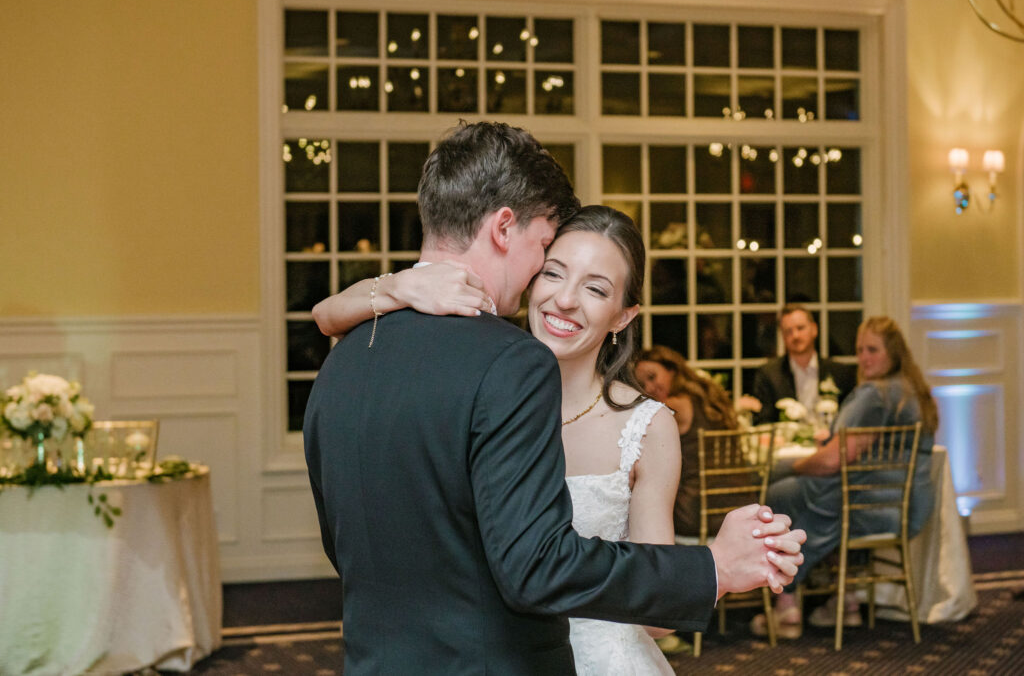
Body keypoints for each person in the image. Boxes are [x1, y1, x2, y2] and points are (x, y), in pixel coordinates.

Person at [304, 120, 805, 674]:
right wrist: (711, 567)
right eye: (545, 253)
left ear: (623, 314)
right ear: (503, 228)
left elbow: (346, 548)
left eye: (594, 287)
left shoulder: (343, 359)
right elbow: (534, 566)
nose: (549, 291)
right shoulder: (512, 364)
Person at [752, 315, 938, 638]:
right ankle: (845, 599)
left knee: (780, 490)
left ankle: (786, 601)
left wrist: (790, 467)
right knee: (809, 494)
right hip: (908, 504)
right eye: (860, 350)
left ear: (893, 353)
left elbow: (833, 460)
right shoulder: (912, 391)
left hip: (873, 505)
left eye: (873, 350)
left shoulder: (875, 395)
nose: (864, 358)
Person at [635, 345, 748, 538]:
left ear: (672, 370)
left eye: (652, 377)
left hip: (695, 513)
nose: (649, 388)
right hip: (738, 506)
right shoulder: (707, 398)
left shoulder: (672, 407)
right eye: (642, 385)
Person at [748, 305, 857, 425]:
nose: (795, 336)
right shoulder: (769, 374)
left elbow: (851, 418)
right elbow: (763, 422)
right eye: (788, 331)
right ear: (782, 336)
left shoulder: (839, 372)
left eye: (800, 328)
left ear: (814, 329)